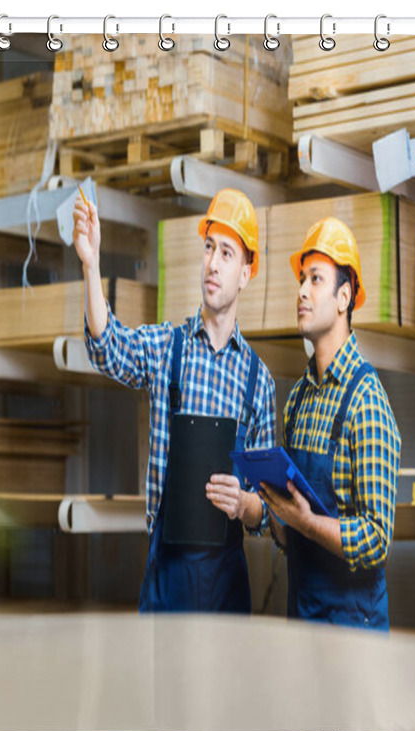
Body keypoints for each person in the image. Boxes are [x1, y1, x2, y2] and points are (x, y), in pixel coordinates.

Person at [74, 188, 276, 614]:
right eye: (208, 248)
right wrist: (91, 264)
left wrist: (243, 503)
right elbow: (107, 346)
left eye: (226, 253)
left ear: (245, 273)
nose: (213, 263)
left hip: (227, 584)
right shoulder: (169, 347)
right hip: (168, 577)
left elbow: (267, 511)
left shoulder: (259, 382)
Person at [258, 217, 401, 630]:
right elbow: (292, 533)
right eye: (301, 279)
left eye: (315, 279)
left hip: (353, 632)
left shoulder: (366, 400)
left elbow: (375, 540)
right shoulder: (298, 400)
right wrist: (273, 514)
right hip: (302, 621)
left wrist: (305, 521)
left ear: (343, 298)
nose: (301, 291)